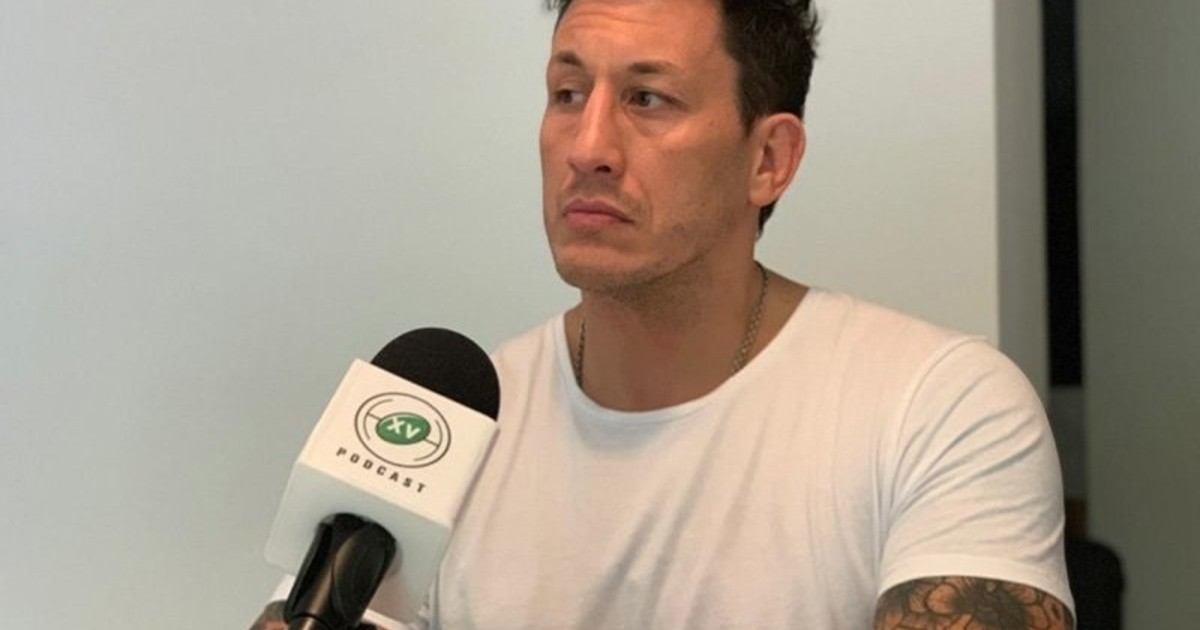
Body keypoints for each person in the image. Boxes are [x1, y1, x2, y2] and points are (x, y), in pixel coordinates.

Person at [253, 0, 1075, 627]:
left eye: (647, 99)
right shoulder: (452, 420)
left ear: (769, 159)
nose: (588, 147)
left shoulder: (939, 407)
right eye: (567, 93)